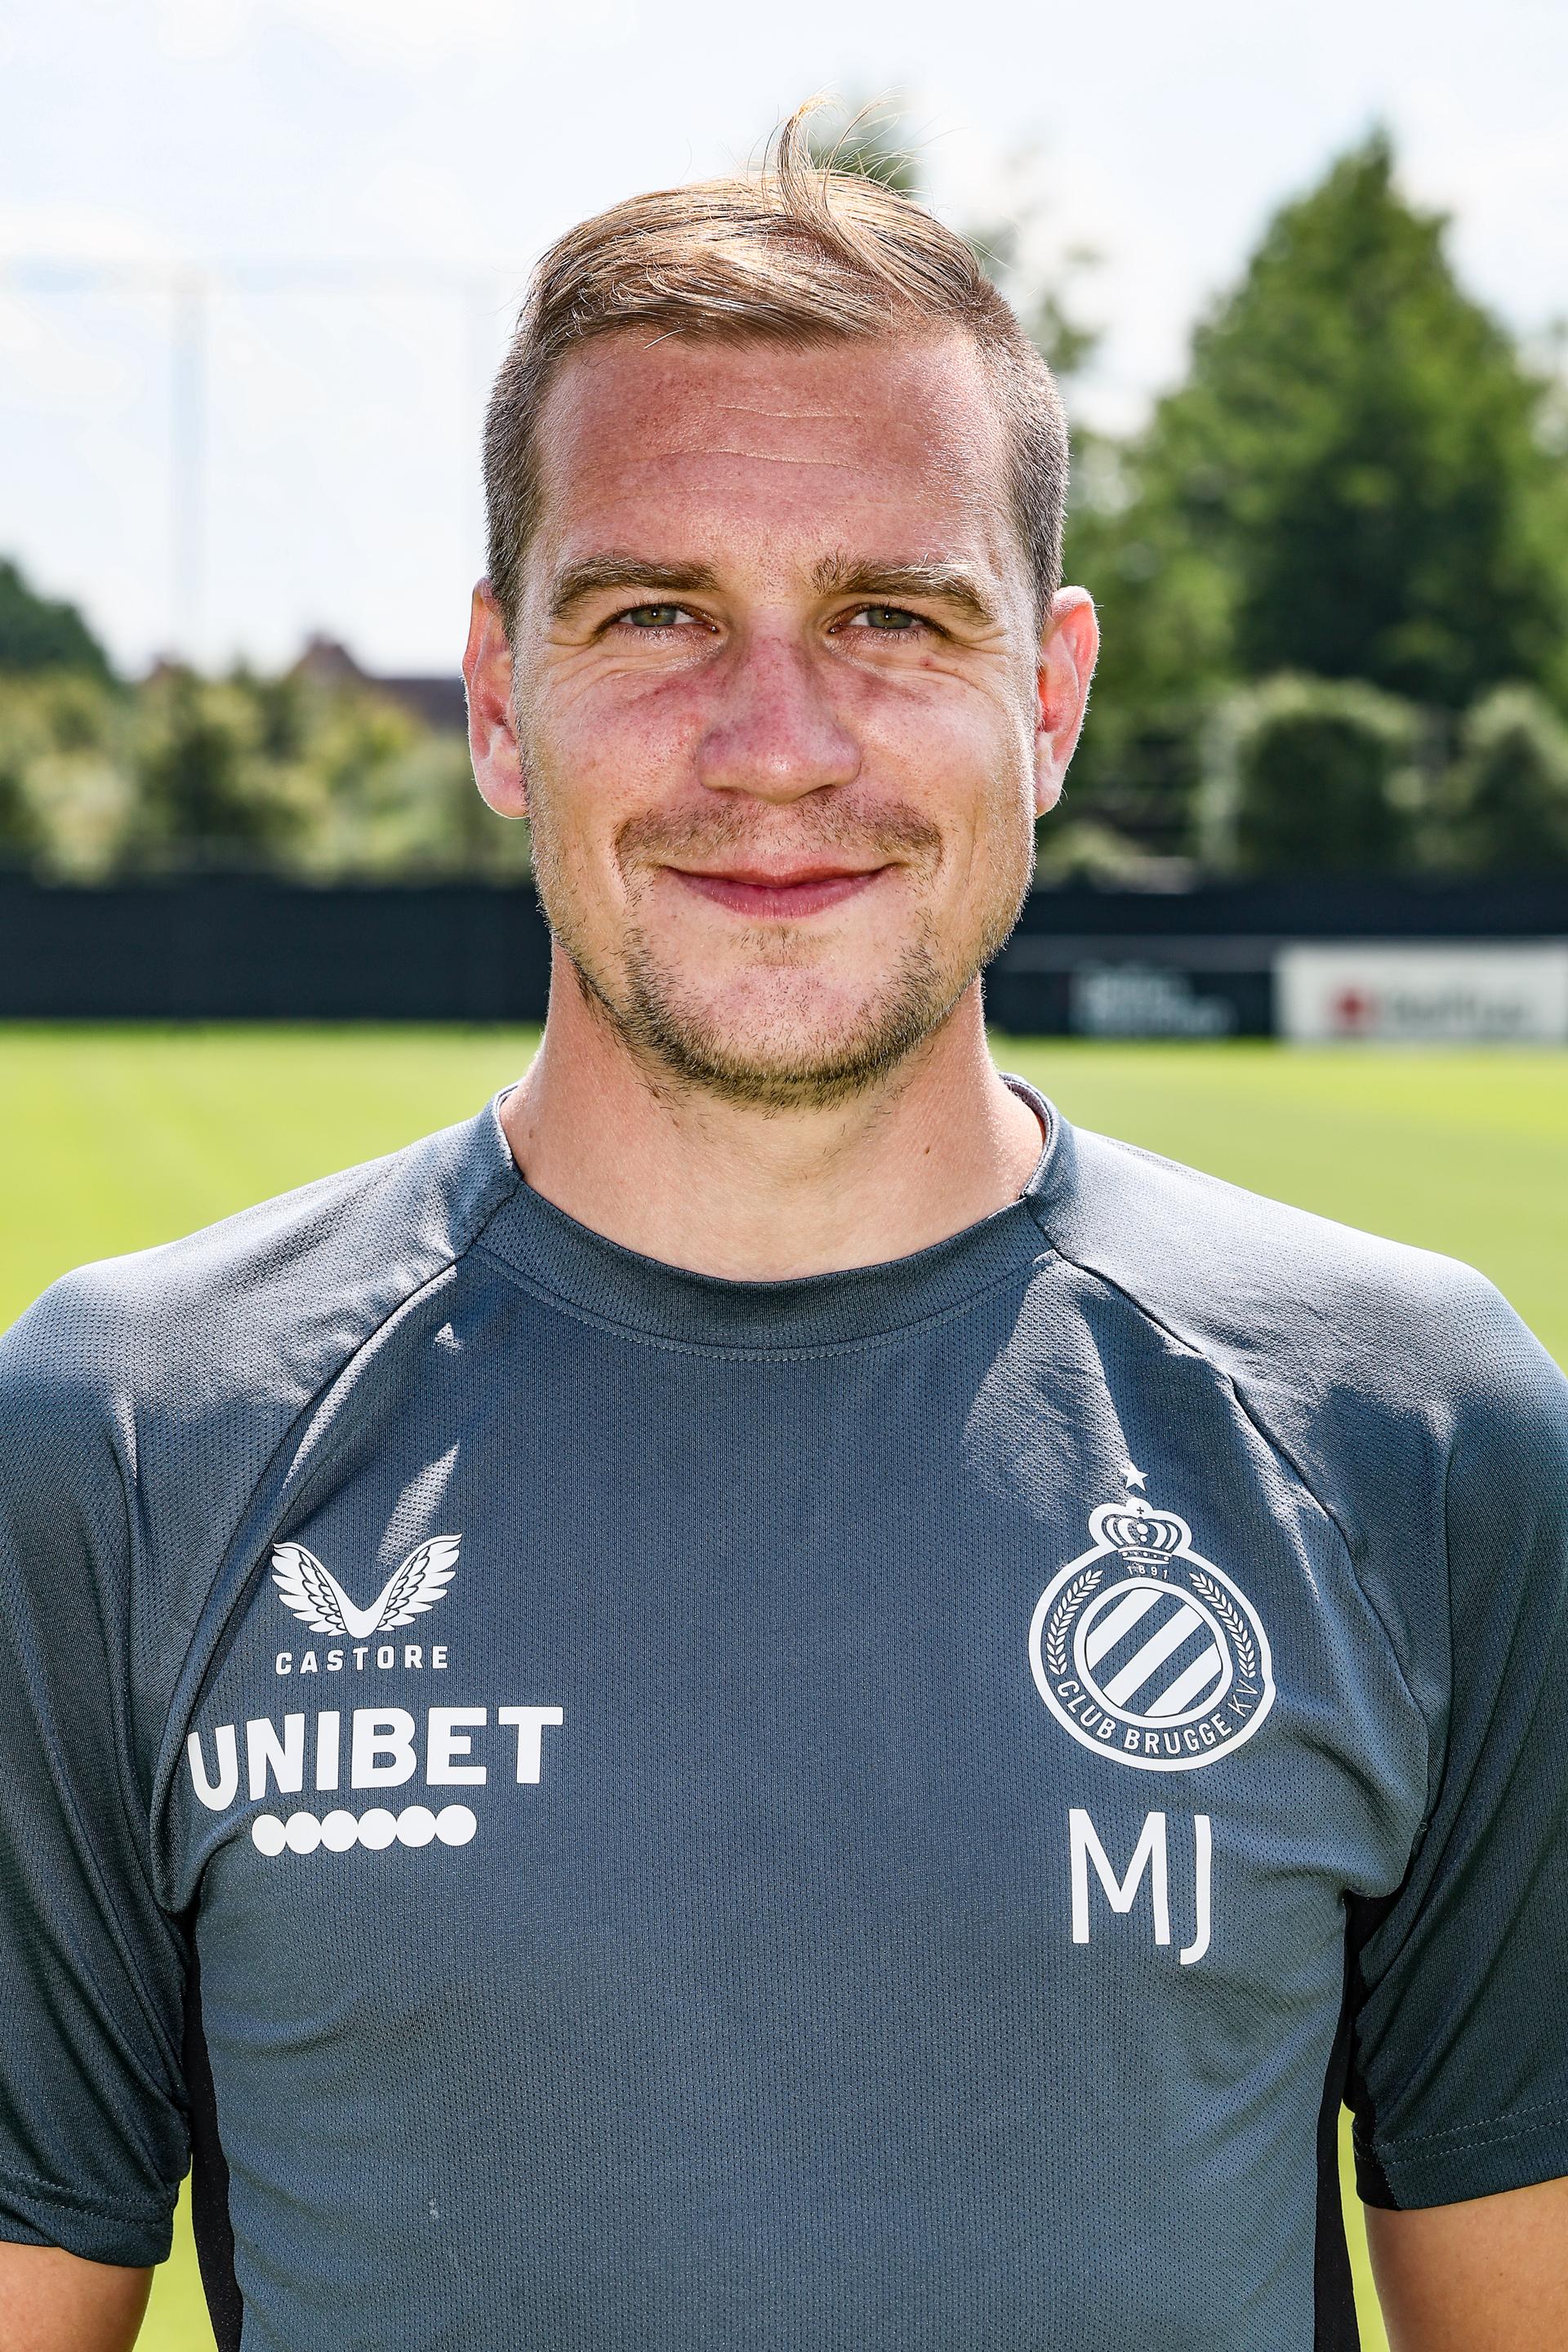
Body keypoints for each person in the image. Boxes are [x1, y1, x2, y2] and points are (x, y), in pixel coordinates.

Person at [2, 109, 1565, 2352]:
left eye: (891, 616)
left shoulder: (1421, 1436)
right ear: (495, 696)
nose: (775, 741)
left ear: (1050, 696)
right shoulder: (127, 1441)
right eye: (656, 615)